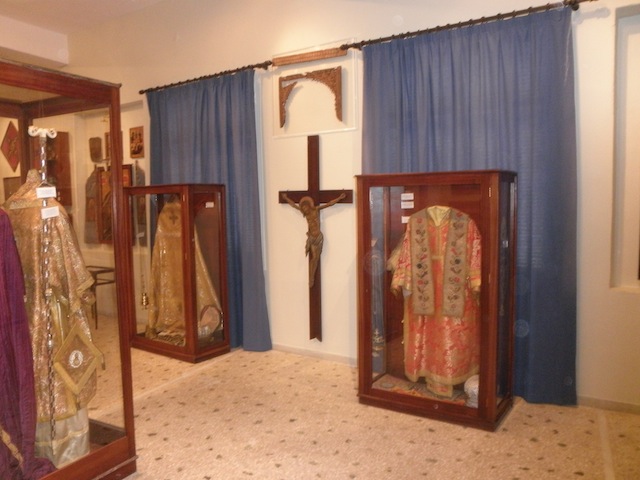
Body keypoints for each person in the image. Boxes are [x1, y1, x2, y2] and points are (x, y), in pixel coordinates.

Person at [281, 191, 346, 288]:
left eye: (305, 207)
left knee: (315, 258)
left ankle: (311, 277)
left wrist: (339, 198)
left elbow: (329, 204)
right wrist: (286, 198)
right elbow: (293, 205)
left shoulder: (315, 210)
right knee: (313, 258)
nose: (304, 209)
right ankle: (311, 277)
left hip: (318, 237)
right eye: (303, 208)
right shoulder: (305, 214)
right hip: (311, 238)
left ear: (309, 206)